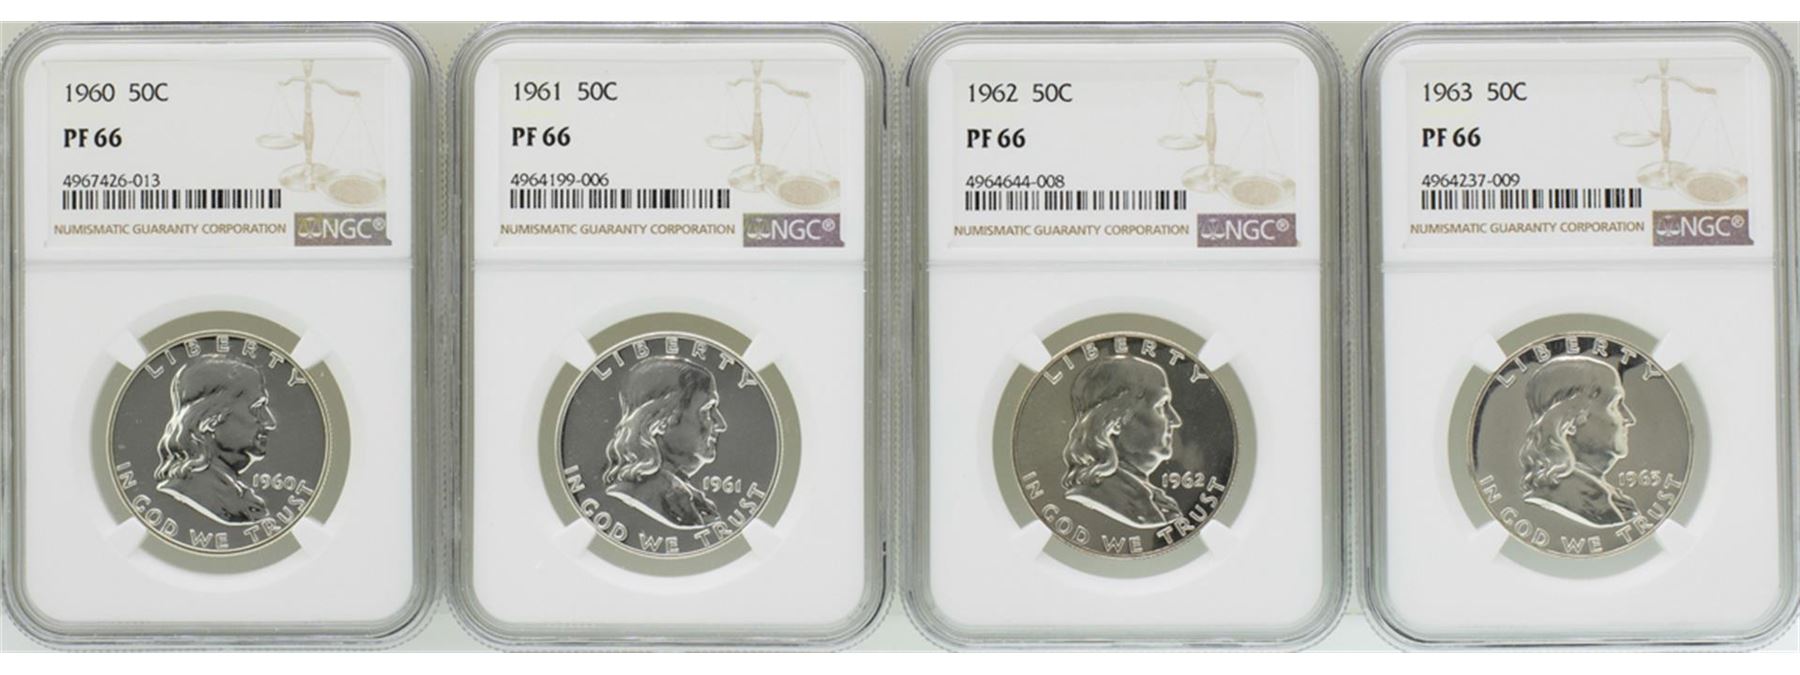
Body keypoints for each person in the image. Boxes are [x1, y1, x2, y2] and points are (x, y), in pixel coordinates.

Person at [599, 357, 729, 530]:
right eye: (706, 411)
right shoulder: (642, 496)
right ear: (661, 421)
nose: (721, 424)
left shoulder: (687, 497)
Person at [154, 354, 279, 525]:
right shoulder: (195, 492)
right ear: (210, 420)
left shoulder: (235, 493)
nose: (270, 422)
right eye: (257, 408)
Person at [1061, 355, 1185, 528]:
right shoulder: (1100, 496)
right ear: (1115, 421)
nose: (1175, 420)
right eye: (1161, 406)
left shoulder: (1153, 499)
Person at [1518, 354, 1641, 527]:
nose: (1629, 418)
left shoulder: (1613, 500)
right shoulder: (1567, 499)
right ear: (1571, 421)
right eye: (1614, 405)